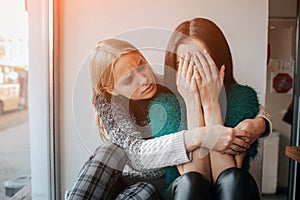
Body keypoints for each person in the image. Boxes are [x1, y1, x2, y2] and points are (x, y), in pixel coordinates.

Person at [67, 37, 267, 199]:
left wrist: (261, 123)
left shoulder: (169, 86)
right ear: (110, 89)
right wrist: (200, 135)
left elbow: (251, 107)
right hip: (130, 178)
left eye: (142, 65)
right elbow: (137, 155)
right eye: (129, 80)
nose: (144, 79)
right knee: (108, 150)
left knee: (145, 191)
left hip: (157, 185)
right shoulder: (109, 105)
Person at [160, 17, 272, 198]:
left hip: (231, 188)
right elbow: (196, 175)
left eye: (202, 60)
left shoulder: (242, 97)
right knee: (191, 182)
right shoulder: (165, 106)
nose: (194, 70)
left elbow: (227, 173)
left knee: (233, 178)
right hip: (182, 191)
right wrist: (192, 103)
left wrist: (211, 102)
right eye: (184, 63)